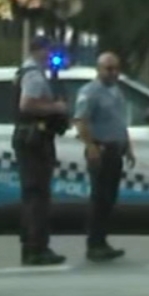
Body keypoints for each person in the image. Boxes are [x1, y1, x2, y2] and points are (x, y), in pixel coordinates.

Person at [14, 35, 71, 266]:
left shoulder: (24, 72)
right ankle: (37, 248)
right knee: (38, 195)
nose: (50, 57)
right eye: (48, 52)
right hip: (35, 139)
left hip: (29, 138)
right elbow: (27, 104)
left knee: (32, 194)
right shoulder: (34, 75)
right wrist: (55, 107)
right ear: (39, 51)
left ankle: (32, 245)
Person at [74, 52, 133, 262]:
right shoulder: (90, 92)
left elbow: (119, 122)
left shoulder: (116, 91)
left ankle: (102, 241)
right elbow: (81, 120)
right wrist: (90, 145)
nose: (114, 73)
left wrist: (128, 147)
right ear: (99, 69)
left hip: (115, 149)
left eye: (116, 68)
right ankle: (94, 244)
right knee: (99, 198)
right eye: (109, 68)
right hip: (100, 150)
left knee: (109, 198)